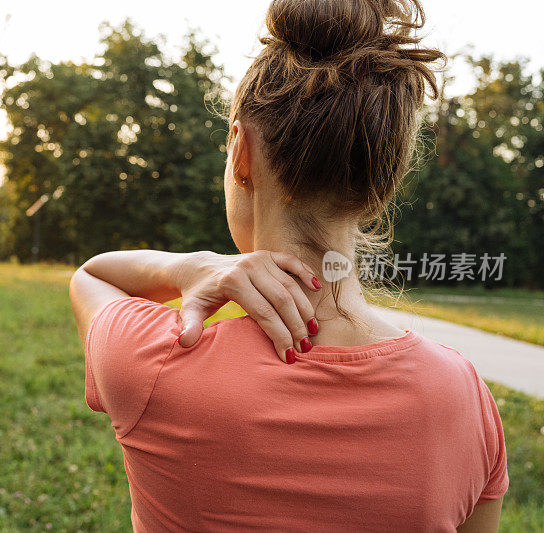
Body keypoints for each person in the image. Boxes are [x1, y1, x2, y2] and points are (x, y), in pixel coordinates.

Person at [69, 0, 508, 530]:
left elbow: (92, 275)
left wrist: (193, 267)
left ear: (241, 153)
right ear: (382, 188)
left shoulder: (155, 361)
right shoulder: (463, 396)